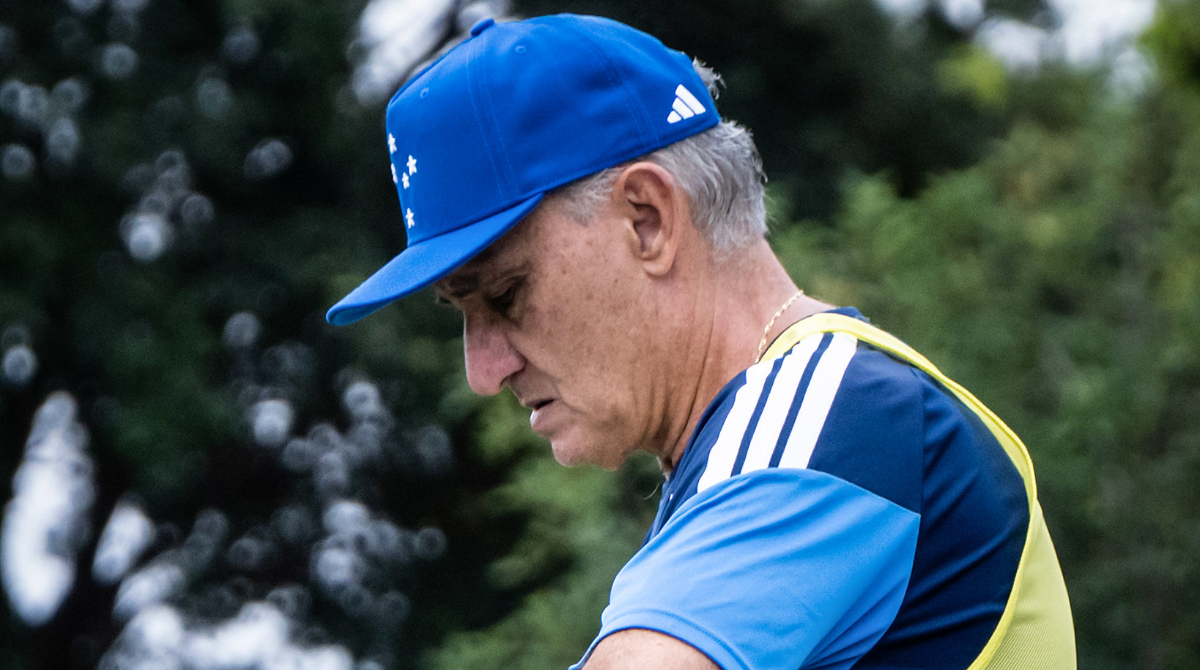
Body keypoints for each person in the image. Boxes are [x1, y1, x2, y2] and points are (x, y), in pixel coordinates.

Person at [326, 13, 1076, 670]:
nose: (484, 370)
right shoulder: (804, 433)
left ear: (648, 219)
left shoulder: (822, 430)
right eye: (460, 311)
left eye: (505, 294)